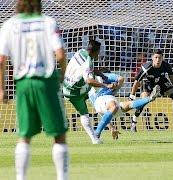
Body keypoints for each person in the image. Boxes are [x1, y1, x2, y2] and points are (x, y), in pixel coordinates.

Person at [0, 0, 69, 179]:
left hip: (23, 84)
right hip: (46, 82)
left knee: (24, 135)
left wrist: (1, 89)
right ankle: (62, 177)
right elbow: (61, 54)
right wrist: (62, 74)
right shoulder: (48, 22)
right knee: (59, 135)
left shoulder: (9, 25)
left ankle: (20, 177)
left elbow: (1, 61)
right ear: (39, 4)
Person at [63, 40, 110, 144]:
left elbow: (89, 69)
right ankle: (95, 139)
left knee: (94, 90)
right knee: (85, 113)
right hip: (73, 91)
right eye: (99, 51)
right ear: (95, 52)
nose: (100, 53)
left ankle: (105, 118)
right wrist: (105, 85)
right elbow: (88, 80)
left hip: (68, 85)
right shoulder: (88, 63)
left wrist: (101, 74)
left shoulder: (81, 52)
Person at [88, 72, 160, 138]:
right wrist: (113, 86)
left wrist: (112, 128)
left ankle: (150, 98)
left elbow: (103, 114)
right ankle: (97, 134)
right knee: (115, 106)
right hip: (103, 99)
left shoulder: (89, 91)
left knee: (127, 106)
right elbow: (121, 79)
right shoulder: (102, 78)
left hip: (104, 105)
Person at [129, 49, 173, 132]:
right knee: (143, 101)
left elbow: (171, 76)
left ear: (162, 58)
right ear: (152, 58)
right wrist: (132, 95)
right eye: (156, 57)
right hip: (148, 83)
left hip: (161, 81)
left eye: (160, 58)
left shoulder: (166, 65)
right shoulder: (146, 67)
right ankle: (133, 123)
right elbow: (137, 81)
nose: (158, 60)